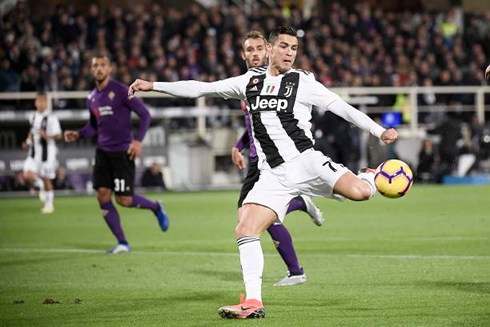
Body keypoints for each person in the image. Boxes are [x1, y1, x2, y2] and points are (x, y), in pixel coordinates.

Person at [128, 26, 397, 319]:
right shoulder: (249, 82)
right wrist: (153, 85)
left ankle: (371, 175)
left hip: (306, 162)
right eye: (283, 46)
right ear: (269, 49)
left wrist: (379, 130)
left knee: (361, 193)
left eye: (294, 48)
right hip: (272, 175)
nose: (289, 53)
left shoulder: (302, 82)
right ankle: (253, 302)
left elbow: (341, 108)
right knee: (245, 228)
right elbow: (200, 88)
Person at [231, 31, 324, 287]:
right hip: (256, 159)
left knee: (250, 217)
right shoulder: (248, 83)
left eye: (260, 48)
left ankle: (292, 271)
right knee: (259, 217)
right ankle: (295, 268)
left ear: (269, 50)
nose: (256, 54)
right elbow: (255, 124)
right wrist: (239, 146)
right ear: (243, 55)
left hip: (269, 162)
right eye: (250, 50)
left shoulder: (277, 80)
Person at [64, 54, 169, 254]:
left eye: (103, 65)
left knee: (124, 200)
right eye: (95, 65)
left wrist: (137, 141)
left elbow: (145, 115)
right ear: (91, 69)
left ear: (110, 69)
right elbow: (94, 127)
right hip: (102, 153)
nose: (99, 69)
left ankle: (156, 207)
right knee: (102, 195)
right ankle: (123, 243)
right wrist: (78, 134)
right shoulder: (91, 98)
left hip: (123, 152)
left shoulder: (121, 91)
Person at [22, 92, 62, 213]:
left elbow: (59, 135)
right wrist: (28, 141)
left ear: (46, 103)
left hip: (47, 154)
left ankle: (49, 205)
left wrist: (47, 136)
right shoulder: (32, 116)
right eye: (39, 101)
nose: (41, 103)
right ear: (35, 103)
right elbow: (31, 131)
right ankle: (39, 185)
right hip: (33, 152)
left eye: (43, 101)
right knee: (27, 175)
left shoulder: (51, 117)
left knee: (47, 179)